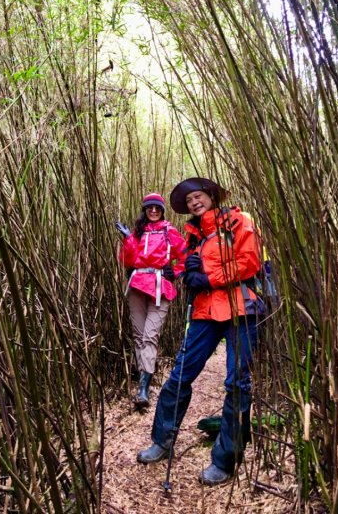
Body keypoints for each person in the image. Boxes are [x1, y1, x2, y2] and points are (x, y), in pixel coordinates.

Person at [137, 178, 265, 486]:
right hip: (206, 312)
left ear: (211, 196)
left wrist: (209, 277)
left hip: (242, 309)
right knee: (180, 375)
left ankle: (225, 459)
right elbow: (184, 268)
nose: (194, 202)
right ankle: (162, 439)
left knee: (238, 383)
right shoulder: (192, 236)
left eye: (198, 196)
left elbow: (249, 263)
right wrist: (179, 272)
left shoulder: (239, 220)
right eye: (189, 200)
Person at [115, 193, 186, 409]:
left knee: (150, 336)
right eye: (149, 208)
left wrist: (174, 272)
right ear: (144, 210)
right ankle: (143, 383)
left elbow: (186, 254)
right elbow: (127, 260)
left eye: (157, 207)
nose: (153, 211)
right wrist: (128, 239)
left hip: (159, 286)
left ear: (162, 210)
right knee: (139, 336)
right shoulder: (137, 233)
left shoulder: (169, 230)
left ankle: (144, 388)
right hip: (137, 284)